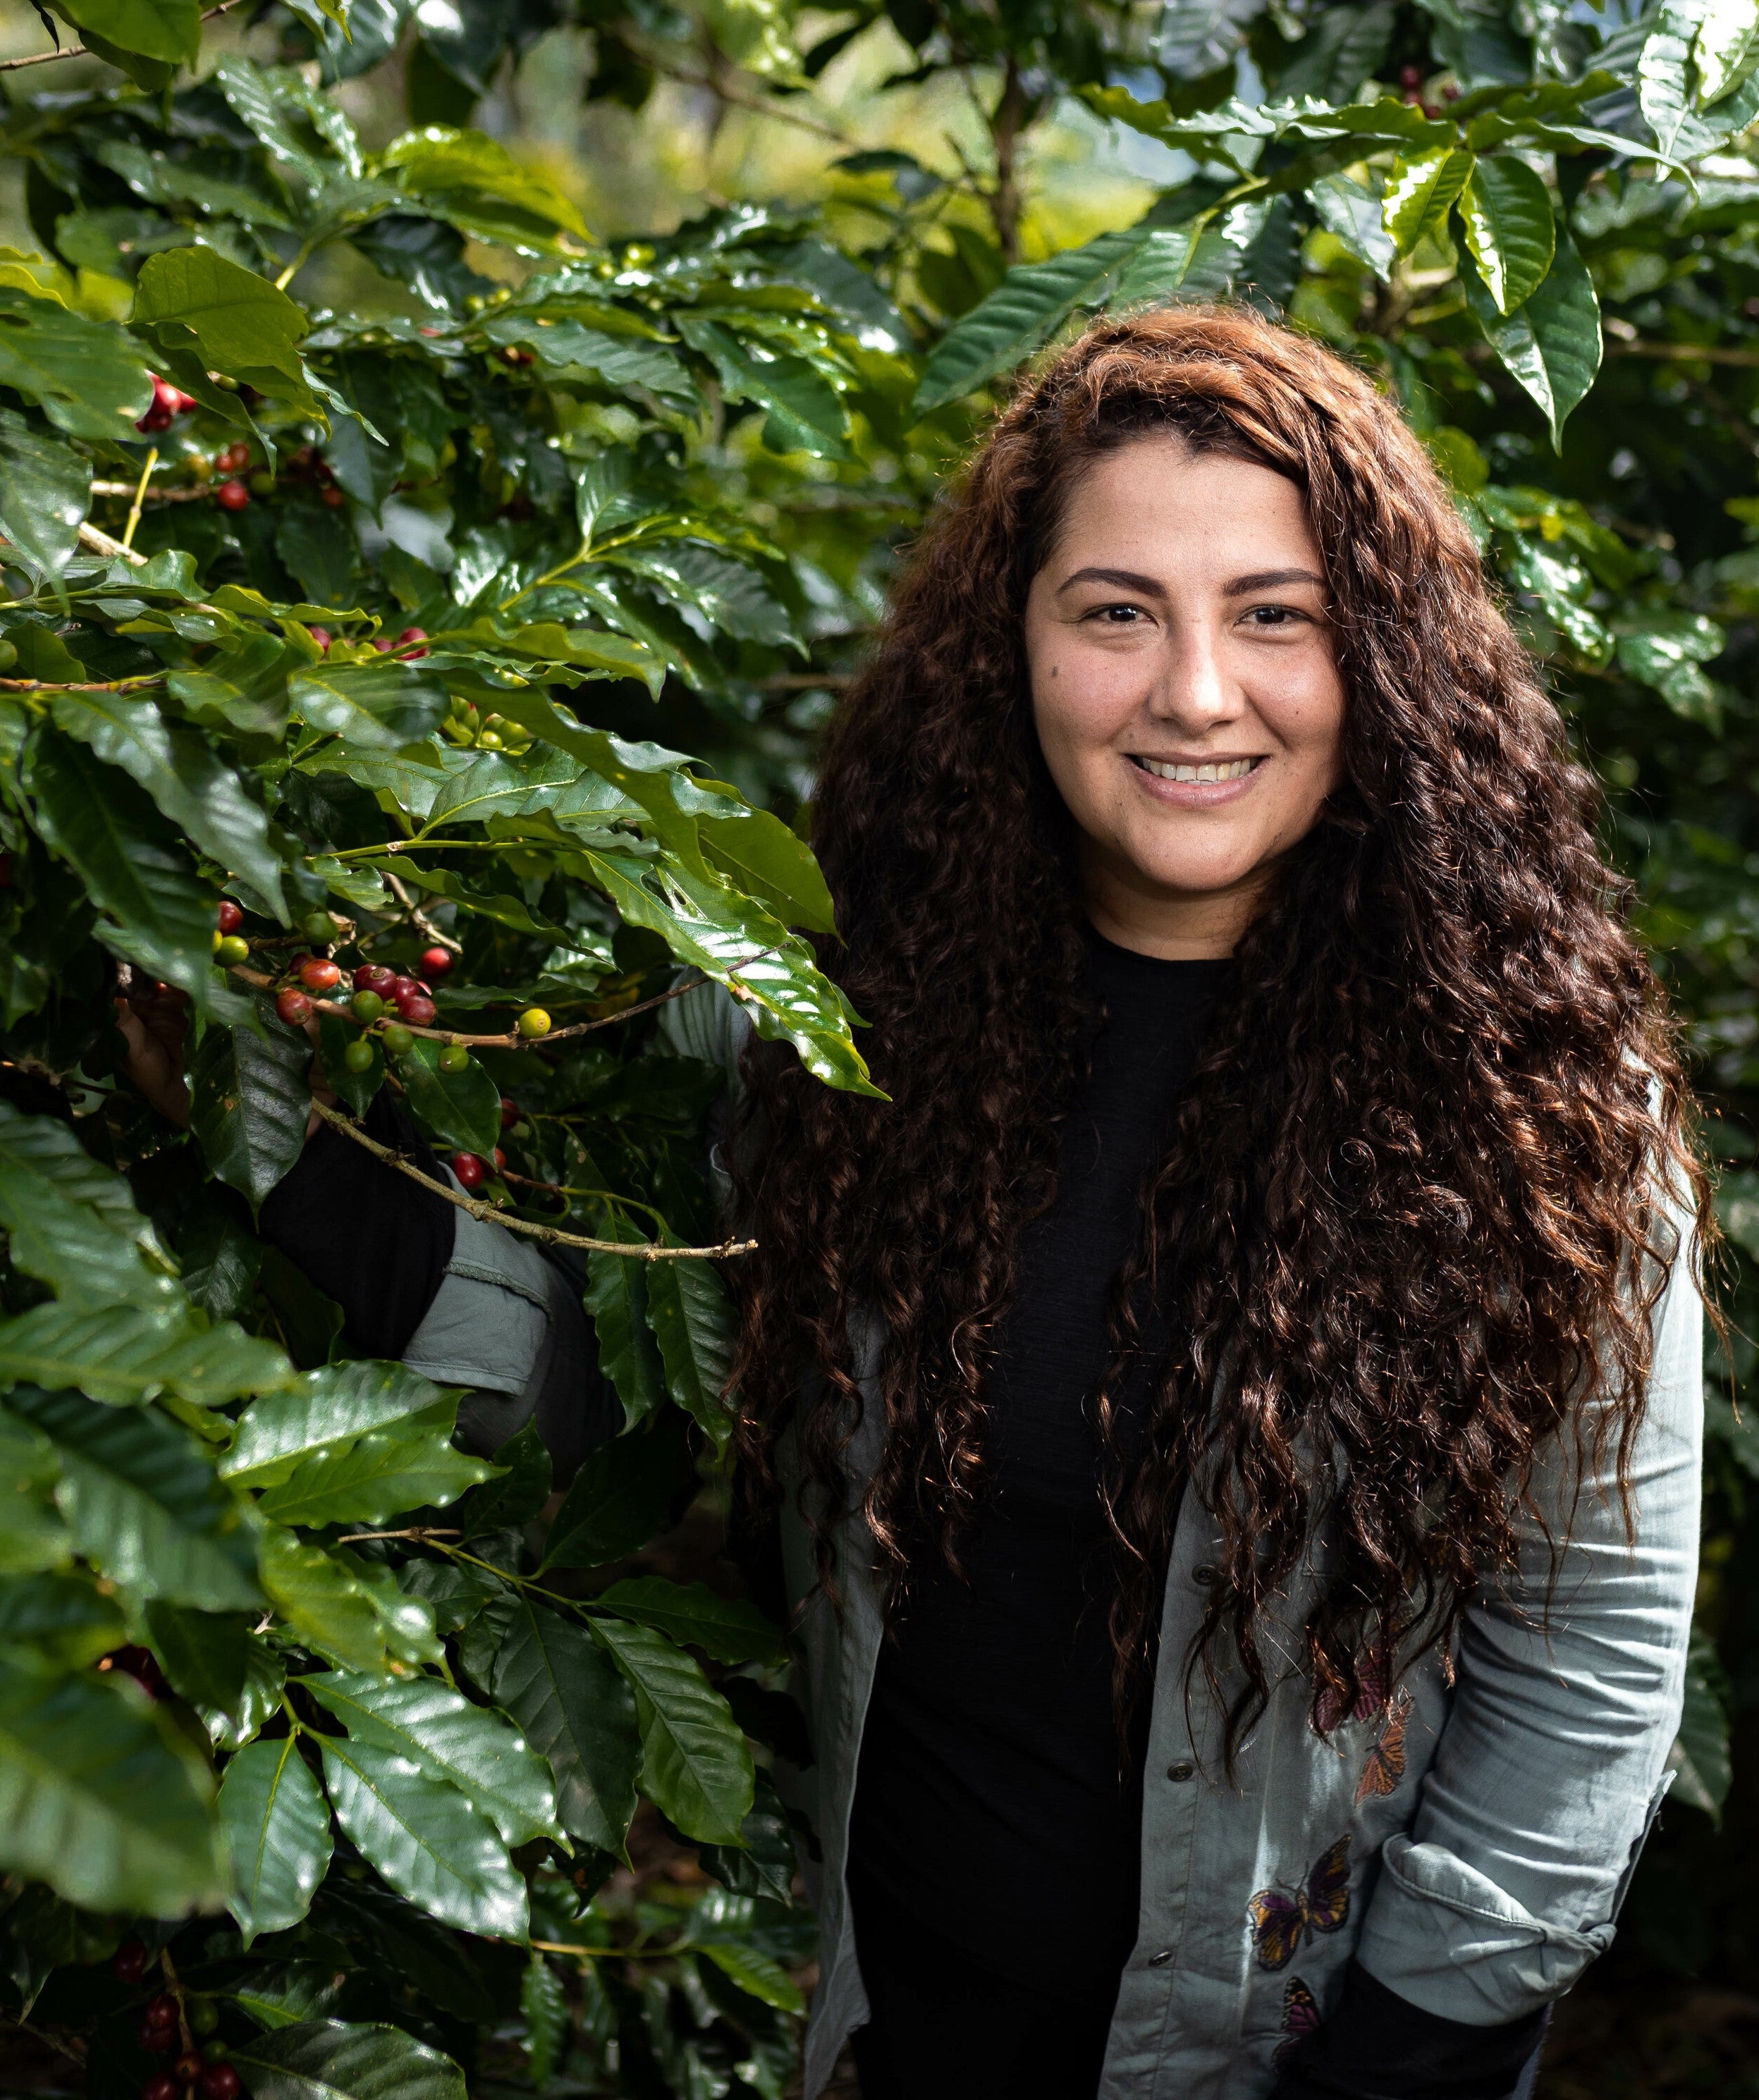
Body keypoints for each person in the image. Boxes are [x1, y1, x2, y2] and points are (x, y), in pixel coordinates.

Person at [118, 306, 1710, 2100]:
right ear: (1010, 645)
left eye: (1275, 613)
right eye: (1116, 610)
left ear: (1385, 657)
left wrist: (1400, 2068)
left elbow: (1579, 1669)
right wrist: (273, 1121)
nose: (1195, 690)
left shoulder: (1535, 1113)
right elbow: (591, 1369)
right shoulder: (826, 1032)